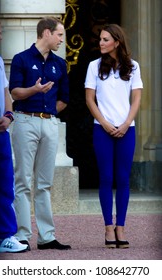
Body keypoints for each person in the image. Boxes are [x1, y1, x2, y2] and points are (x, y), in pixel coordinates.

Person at [9, 17, 71, 250]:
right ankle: (23, 235)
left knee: (45, 183)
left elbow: (64, 99)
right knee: (23, 180)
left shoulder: (60, 64)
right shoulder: (21, 59)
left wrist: (48, 114)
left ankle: (46, 237)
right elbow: (14, 92)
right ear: (46, 33)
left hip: (50, 123)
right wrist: (34, 90)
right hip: (25, 121)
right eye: (59, 35)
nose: (61, 40)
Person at [85, 24, 143, 248]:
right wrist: (105, 123)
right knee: (106, 178)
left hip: (128, 129)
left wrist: (126, 123)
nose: (101, 42)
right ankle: (108, 227)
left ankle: (121, 228)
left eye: (105, 39)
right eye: (100, 39)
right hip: (102, 130)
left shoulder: (134, 67)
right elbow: (90, 100)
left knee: (123, 179)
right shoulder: (94, 66)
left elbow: (136, 99)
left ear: (117, 42)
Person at [0, 17, 28, 253]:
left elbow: (6, 98)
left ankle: (5, 236)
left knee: (3, 185)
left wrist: (8, 117)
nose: (1, 36)